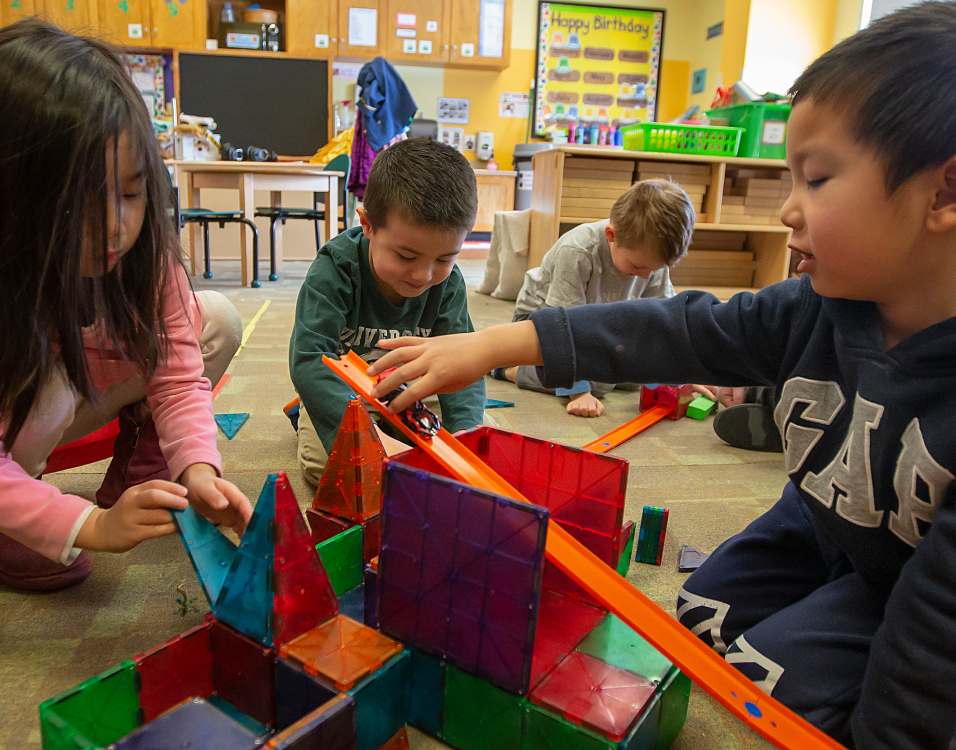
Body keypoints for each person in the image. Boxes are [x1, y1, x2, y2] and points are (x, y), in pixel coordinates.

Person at [363, 4, 956, 747]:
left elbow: (935, 639)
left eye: (818, 179)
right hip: (826, 522)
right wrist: (491, 347)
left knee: (774, 681)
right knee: (701, 621)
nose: (787, 213)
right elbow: (675, 329)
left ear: (943, 192)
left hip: (909, 576)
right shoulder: (812, 306)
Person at [0, 20, 252, 592]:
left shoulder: (146, 260)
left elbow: (177, 380)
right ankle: (4, 515)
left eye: (131, 192)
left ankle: (143, 476)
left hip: (72, 404)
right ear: (0, 193)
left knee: (216, 318)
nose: (115, 226)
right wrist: (88, 525)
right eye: (75, 203)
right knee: (42, 381)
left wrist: (196, 469)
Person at [289, 137, 486, 486]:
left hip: (408, 388)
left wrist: (465, 433)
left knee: (480, 443)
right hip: (342, 393)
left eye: (444, 258)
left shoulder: (448, 283)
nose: (423, 276)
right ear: (367, 224)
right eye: (406, 256)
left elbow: (463, 362)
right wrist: (377, 445)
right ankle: (305, 411)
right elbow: (308, 359)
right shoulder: (335, 269)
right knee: (328, 470)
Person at [493, 179, 693, 418]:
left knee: (637, 378)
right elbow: (561, 328)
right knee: (597, 386)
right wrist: (579, 392)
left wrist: (686, 371)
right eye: (638, 266)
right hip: (544, 322)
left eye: (655, 269)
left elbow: (664, 318)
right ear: (611, 235)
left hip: (599, 325)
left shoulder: (649, 258)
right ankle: (508, 367)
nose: (646, 276)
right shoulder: (578, 252)